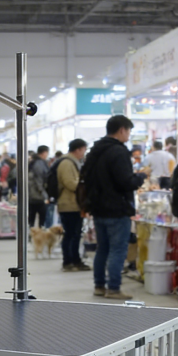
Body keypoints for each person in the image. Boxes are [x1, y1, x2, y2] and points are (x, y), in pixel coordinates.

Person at [82, 117, 146, 297]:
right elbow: (126, 182)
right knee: (118, 249)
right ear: (122, 130)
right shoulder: (119, 152)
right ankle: (114, 288)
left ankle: (99, 285)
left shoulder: (95, 151)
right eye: (128, 131)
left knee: (102, 248)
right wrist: (141, 177)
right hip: (117, 208)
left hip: (98, 207)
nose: (128, 135)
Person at [56, 138, 90, 272]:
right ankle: (69, 261)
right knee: (71, 234)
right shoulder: (66, 163)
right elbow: (69, 182)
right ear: (78, 149)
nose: (84, 153)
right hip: (68, 204)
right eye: (83, 150)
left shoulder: (72, 162)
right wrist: (84, 187)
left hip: (73, 204)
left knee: (75, 234)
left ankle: (75, 259)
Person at [28, 145, 50, 227]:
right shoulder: (39, 163)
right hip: (37, 195)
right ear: (44, 153)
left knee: (32, 216)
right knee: (41, 217)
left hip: (32, 195)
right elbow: (39, 181)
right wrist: (44, 195)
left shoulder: (34, 162)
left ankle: (32, 232)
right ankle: (38, 234)